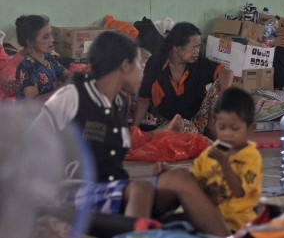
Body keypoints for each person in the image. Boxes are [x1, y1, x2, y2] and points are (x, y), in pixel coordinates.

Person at [33, 31, 230, 235]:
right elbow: (31, 140)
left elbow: (126, 142)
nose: (144, 72)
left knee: (179, 178)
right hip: (74, 193)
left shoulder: (119, 103)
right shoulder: (72, 95)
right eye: (140, 66)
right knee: (140, 189)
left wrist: (161, 135)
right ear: (125, 66)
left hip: (115, 191)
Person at [132, 22, 233, 138]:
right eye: (194, 47)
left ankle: (209, 128)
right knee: (183, 128)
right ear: (176, 47)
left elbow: (227, 72)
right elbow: (143, 101)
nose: (197, 51)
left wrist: (225, 99)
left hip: (199, 116)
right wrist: (134, 130)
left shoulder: (198, 62)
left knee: (220, 84)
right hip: (169, 121)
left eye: (198, 46)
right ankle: (153, 135)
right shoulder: (155, 64)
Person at [189, 87, 262, 232]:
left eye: (234, 128)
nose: (227, 134)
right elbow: (193, 179)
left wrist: (224, 163)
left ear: (250, 129)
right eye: (222, 127)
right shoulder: (213, 150)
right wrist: (168, 172)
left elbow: (239, 192)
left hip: (237, 224)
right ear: (214, 124)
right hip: (208, 219)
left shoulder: (251, 157)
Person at [15, 14, 71, 102]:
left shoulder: (47, 58)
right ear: (30, 42)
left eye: (51, 35)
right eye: (46, 37)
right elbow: (33, 104)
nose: (52, 40)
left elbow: (66, 74)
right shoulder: (26, 66)